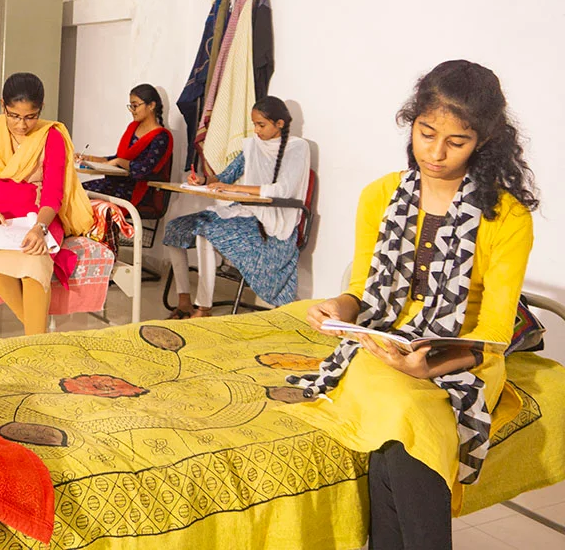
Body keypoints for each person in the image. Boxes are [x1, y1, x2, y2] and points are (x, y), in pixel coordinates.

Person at [284, 60, 537, 550]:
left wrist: (432, 366)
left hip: (462, 355)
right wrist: (337, 308)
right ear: (412, 121)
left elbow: (494, 330)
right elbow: (359, 289)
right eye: (426, 133)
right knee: (402, 415)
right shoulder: (379, 195)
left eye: (455, 142)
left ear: (483, 140)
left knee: (404, 415)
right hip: (380, 342)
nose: (435, 153)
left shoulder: (507, 216)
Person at [0, 72, 94, 335]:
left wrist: (40, 228)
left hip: (40, 219)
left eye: (30, 117)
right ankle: (39, 338)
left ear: (40, 110)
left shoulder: (50, 137)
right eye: (14, 116)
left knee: (34, 267)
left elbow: (54, 194)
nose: (21, 125)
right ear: (2, 105)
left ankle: (34, 340)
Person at [162, 96, 310, 317]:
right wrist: (204, 181)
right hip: (245, 210)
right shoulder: (252, 146)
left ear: (280, 123)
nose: (256, 130)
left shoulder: (298, 147)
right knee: (175, 227)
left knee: (207, 230)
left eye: (261, 125)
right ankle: (184, 301)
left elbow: (283, 190)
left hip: (272, 219)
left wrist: (238, 191)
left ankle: (204, 307)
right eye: (254, 124)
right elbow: (226, 176)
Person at [77, 84, 173, 214]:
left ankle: (93, 232)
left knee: (83, 197)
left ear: (151, 106)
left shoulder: (161, 137)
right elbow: (119, 157)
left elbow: (144, 170)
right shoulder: (132, 128)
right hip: (116, 183)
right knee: (77, 190)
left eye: (135, 105)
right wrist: (90, 159)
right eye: (130, 106)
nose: (132, 110)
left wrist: (119, 162)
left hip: (138, 189)